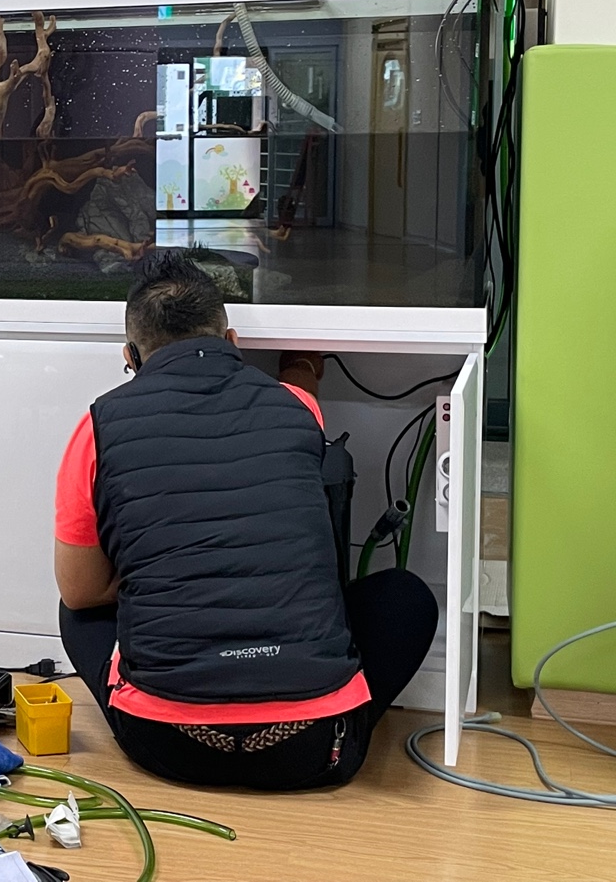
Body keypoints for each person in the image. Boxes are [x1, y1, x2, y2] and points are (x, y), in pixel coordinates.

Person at [54, 250, 438, 790]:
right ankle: (324, 705)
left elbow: (79, 591)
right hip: (316, 747)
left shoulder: (97, 426)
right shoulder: (297, 409)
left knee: (77, 613)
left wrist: (160, 568)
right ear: (232, 341)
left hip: (167, 744)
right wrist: (302, 360)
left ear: (129, 357)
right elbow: (301, 386)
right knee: (406, 597)